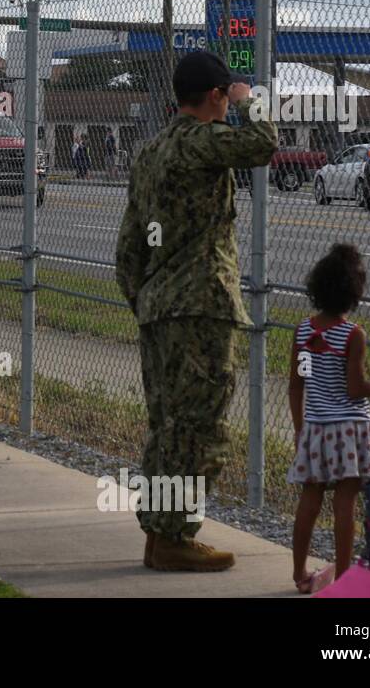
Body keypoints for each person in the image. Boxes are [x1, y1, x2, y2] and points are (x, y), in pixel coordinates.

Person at [115, 50, 276, 572]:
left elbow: (129, 246)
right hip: (201, 306)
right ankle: (175, 536)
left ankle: (159, 534)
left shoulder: (151, 151)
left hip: (160, 306)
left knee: (167, 426)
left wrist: (144, 298)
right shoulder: (202, 140)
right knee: (199, 429)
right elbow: (263, 145)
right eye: (226, 96)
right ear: (214, 96)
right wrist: (250, 101)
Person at [289, 244, 370, 593]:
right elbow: (356, 389)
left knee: (309, 501)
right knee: (345, 503)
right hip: (351, 430)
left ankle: (299, 574)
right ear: (354, 292)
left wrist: (301, 430)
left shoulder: (303, 333)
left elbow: (296, 386)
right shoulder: (353, 334)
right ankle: (342, 581)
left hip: (316, 427)